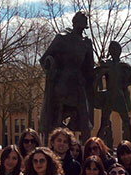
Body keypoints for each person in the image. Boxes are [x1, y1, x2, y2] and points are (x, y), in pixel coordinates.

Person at [39, 10, 95, 141]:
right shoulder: (62, 38)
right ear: (75, 24)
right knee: (58, 116)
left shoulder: (87, 43)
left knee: (85, 117)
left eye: (83, 27)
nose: (81, 29)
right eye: (79, 26)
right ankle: (56, 140)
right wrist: (52, 69)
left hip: (78, 84)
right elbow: (44, 60)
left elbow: (89, 68)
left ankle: (85, 147)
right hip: (62, 83)